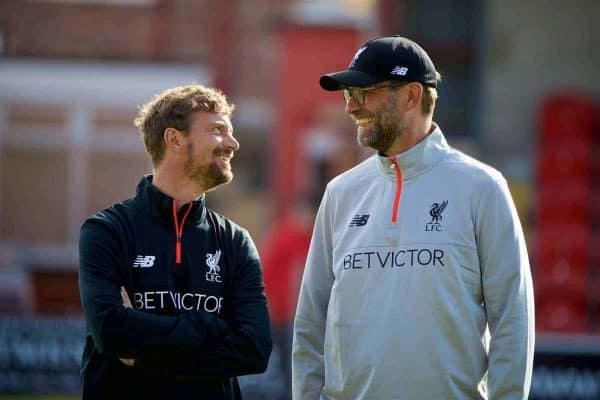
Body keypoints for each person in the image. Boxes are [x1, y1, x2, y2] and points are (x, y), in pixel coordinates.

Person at [292, 36, 534, 400]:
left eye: (364, 92)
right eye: (347, 94)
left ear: (411, 96)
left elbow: (513, 322)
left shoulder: (482, 187)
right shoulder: (340, 193)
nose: (351, 107)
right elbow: (311, 324)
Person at [78, 85, 272, 399]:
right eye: (217, 130)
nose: (233, 143)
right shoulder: (107, 231)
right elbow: (110, 331)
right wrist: (208, 326)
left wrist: (141, 353)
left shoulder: (235, 241)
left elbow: (254, 349)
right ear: (175, 139)